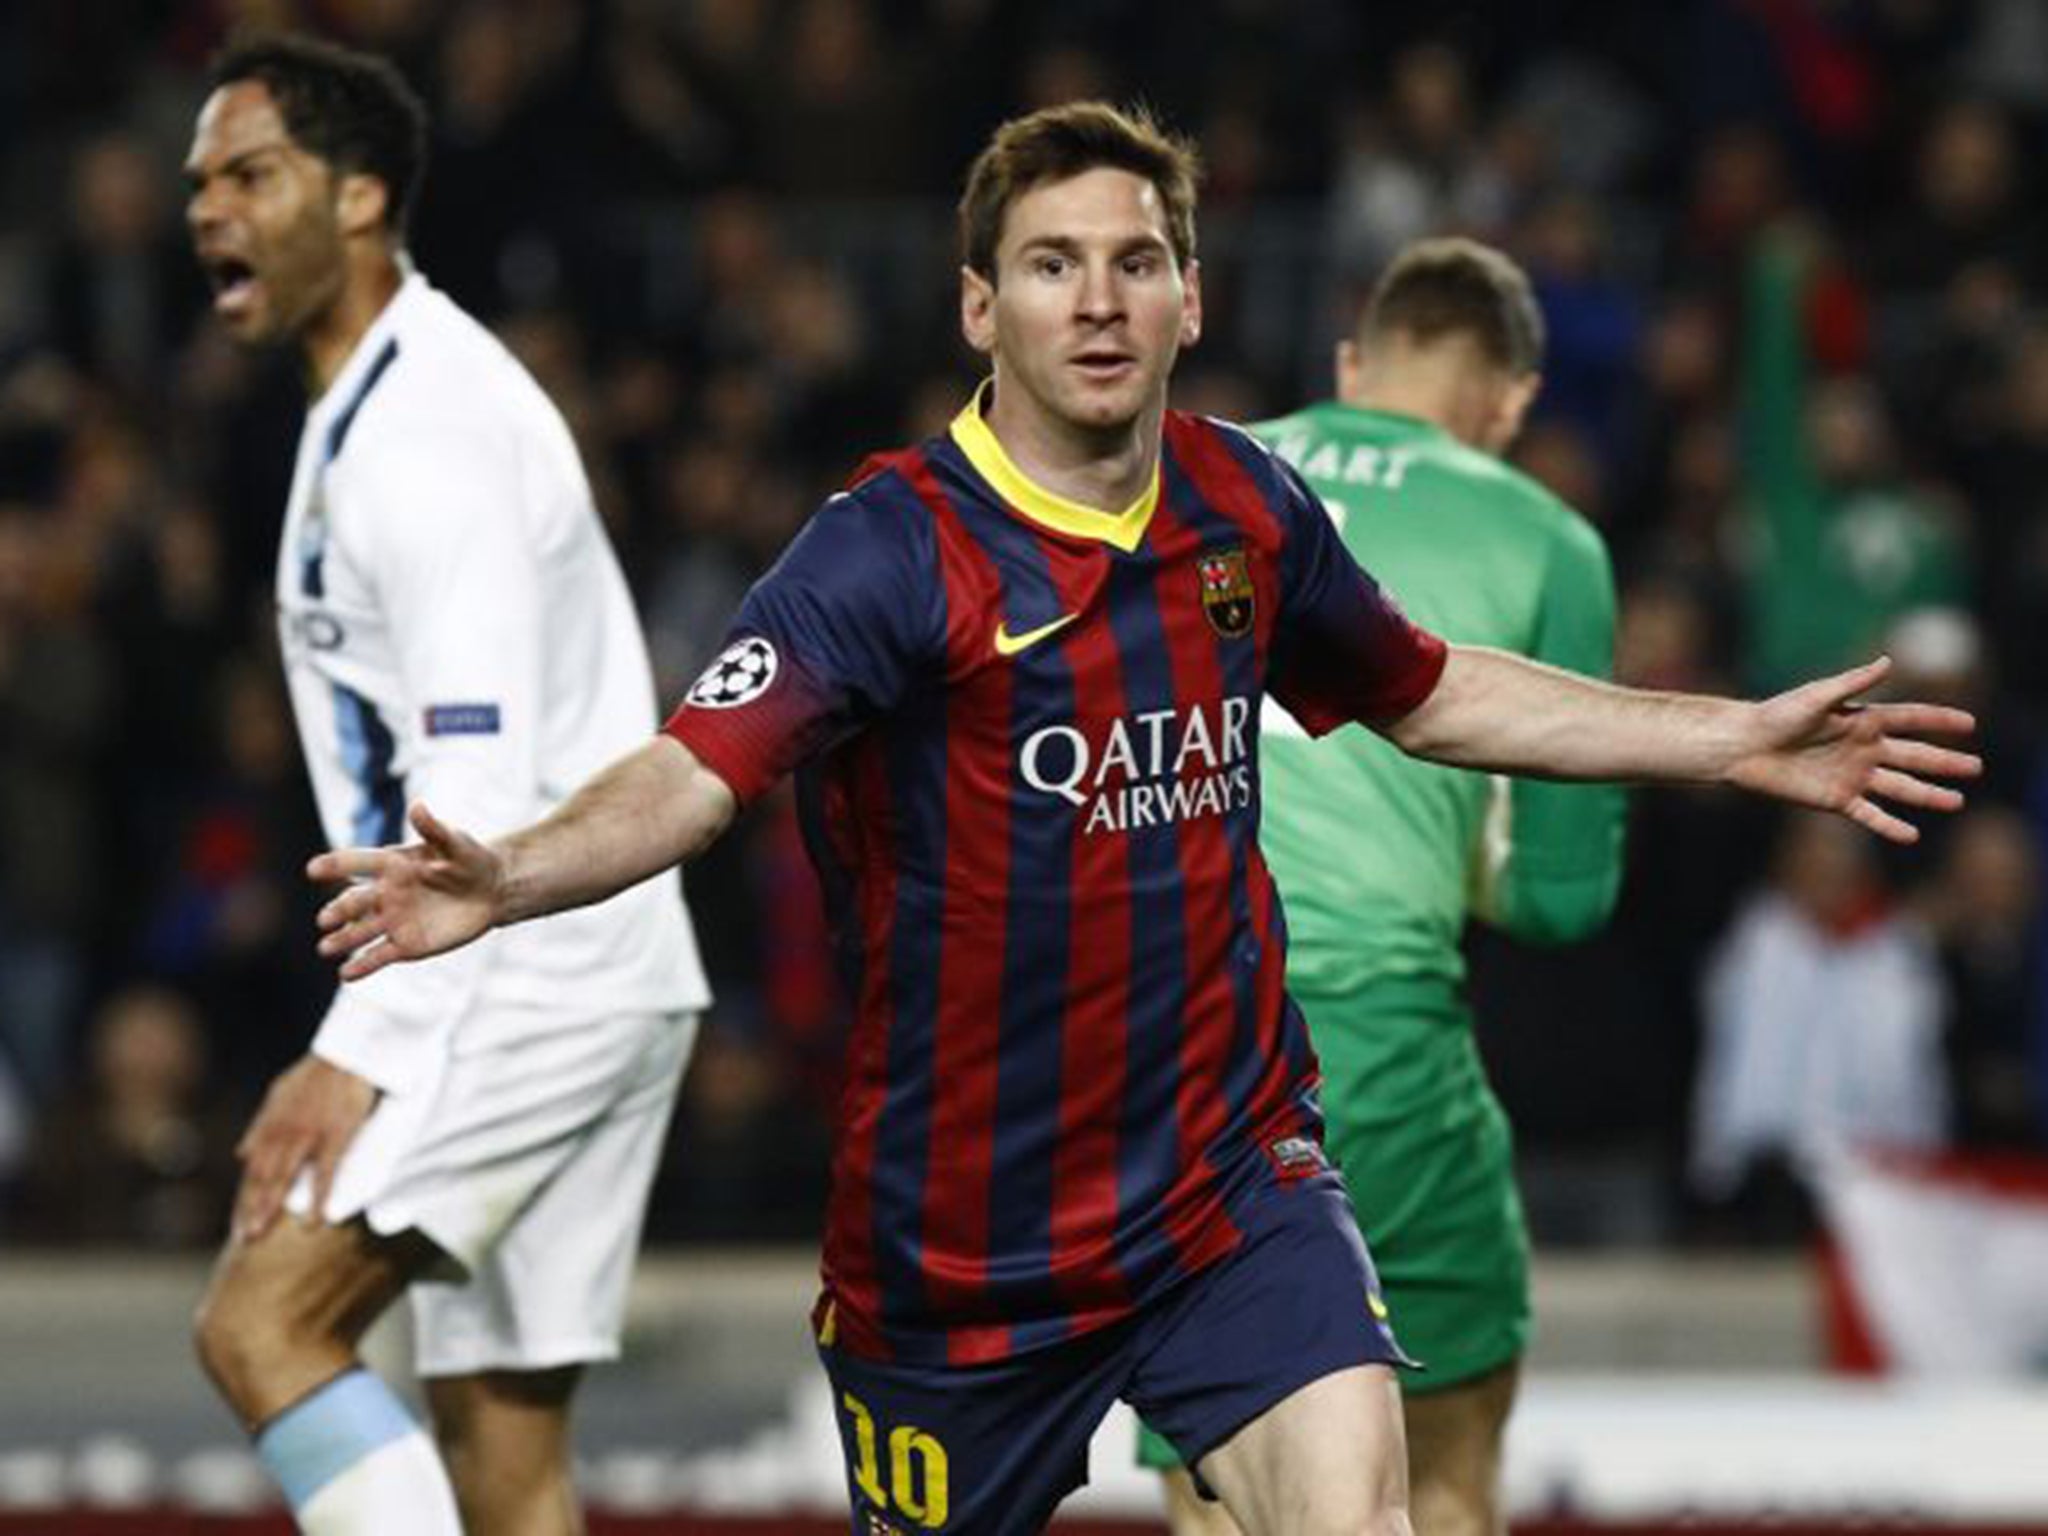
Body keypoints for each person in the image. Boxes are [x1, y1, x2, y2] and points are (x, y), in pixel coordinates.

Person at [308, 103, 1976, 1536]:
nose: (1097, 301)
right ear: (980, 306)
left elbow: (1429, 689)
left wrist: (1731, 740)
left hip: (1226, 1181)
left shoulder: (1247, 503)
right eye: (1051, 265)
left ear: (1190, 296)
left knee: (1359, 1504)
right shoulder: (891, 550)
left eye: (1134, 261)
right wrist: (516, 871)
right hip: (960, 1246)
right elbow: (696, 767)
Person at [181, 34, 709, 1536]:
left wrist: (361, 1048)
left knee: (262, 1326)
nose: (210, 208)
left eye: (250, 174)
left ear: (357, 198)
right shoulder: (389, 392)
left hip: (518, 975)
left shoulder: (426, 434)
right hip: (602, 967)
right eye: (200, 181)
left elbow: (465, 777)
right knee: (503, 1457)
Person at [1137, 236, 1624, 1536]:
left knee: (1221, 1498)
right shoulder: (1548, 539)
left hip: (1180, 1055)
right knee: (1442, 1479)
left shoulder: (1195, 469)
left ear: (1352, 366)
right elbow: (1565, 902)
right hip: (1385, 1055)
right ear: (1510, 405)